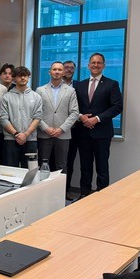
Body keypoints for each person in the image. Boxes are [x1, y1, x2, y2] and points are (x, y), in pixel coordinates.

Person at [74, 53, 123, 197]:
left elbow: (117, 107)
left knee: (102, 168)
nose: (96, 65)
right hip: (83, 132)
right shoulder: (80, 85)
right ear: (88, 65)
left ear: (103, 65)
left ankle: (102, 198)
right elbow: (73, 107)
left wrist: (97, 119)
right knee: (85, 167)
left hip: (102, 134)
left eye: (99, 63)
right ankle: (84, 195)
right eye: (93, 63)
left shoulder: (111, 84)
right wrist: (81, 117)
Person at [36, 61, 79, 173]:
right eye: (54, 69)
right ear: (49, 72)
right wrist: (45, 128)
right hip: (44, 133)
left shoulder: (71, 91)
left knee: (62, 165)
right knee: (43, 165)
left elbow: (74, 113)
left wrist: (61, 129)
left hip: (63, 134)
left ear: (63, 72)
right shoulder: (40, 90)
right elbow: (36, 113)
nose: (57, 72)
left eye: (60, 70)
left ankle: (61, 186)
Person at [0, 66, 43, 168]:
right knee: (10, 171)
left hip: (30, 139)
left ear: (28, 77)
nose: (23, 78)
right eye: (19, 76)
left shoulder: (36, 97)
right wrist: (16, 134)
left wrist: (26, 134)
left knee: (30, 170)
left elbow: (37, 118)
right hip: (11, 139)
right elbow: (3, 118)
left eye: (25, 76)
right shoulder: (6, 97)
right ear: (14, 78)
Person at [62, 60, 79, 199]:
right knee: (53, 162)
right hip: (55, 129)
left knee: (69, 161)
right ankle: (53, 190)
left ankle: (66, 189)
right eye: (66, 67)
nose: (68, 70)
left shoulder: (80, 86)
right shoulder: (53, 85)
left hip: (74, 130)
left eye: (71, 68)